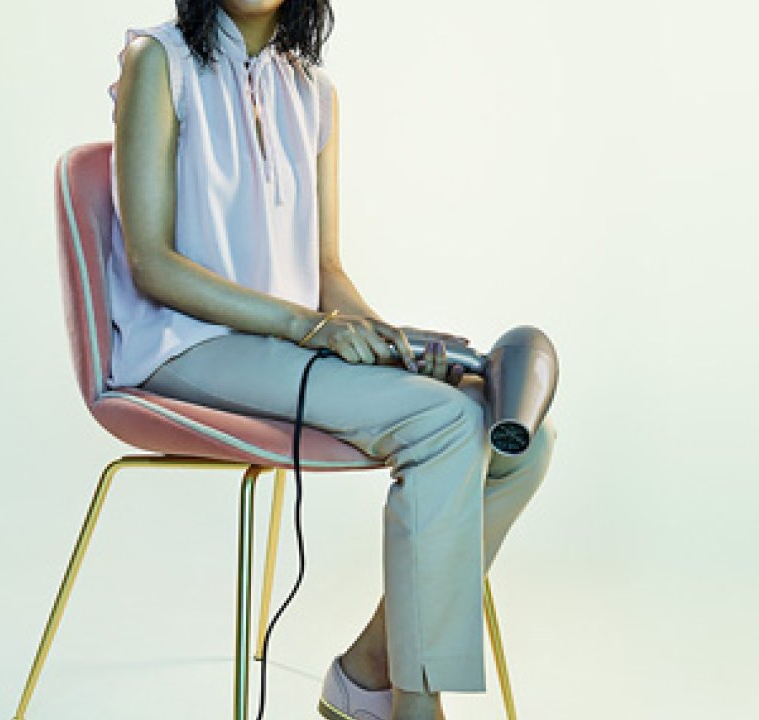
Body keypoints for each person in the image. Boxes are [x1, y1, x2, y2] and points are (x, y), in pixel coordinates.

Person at [105, 2, 559, 718]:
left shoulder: (313, 92)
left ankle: (369, 670)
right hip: (183, 347)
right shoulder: (157, 63)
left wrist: (392, 343)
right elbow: (151, 263)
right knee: (441, 426)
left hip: (286, 345)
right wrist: (306, 327)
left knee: (517, 436)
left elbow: (325, 272)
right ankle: (412, 702)